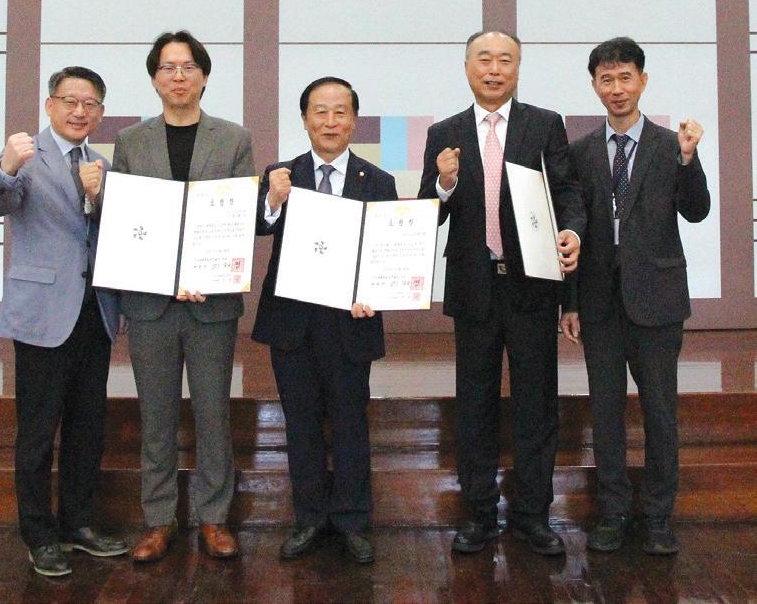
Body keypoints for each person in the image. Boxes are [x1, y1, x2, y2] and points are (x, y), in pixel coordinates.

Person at [418, 30, 586, 556]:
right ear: (467, 67)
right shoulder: (444, 132)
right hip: (473, 287)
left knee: (537, 404)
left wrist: (572, 231)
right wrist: (443, 183)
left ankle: (533, 516)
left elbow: (566, 192)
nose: (494, 69)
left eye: (505, 60)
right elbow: (427, 214)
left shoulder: (544, 124)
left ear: (518, 67)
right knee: (474, 406)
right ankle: (479, 515)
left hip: (531, 285)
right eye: (484, 60)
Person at [99, 30, 254, 562]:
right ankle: (159, 519)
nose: (179, 76)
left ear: (204, 76)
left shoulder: (233, 139)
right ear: (154, 79)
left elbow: (238, 219)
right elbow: (126, 221)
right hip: (150, 304)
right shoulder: (131, 141)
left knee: (213, 414)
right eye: (168, 67)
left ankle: (214, 517)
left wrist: (207, 270)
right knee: (156, 417)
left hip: (212, 304)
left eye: (188, 66)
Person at [560, 37, 709, 555]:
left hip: (658, 301)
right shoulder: (579, 152)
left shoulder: (671, 145)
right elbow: (572, 228)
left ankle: (659, 517)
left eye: (626, 77)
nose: (617, 88)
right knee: (606, 413)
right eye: (607, 79)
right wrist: (570, 302)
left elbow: (696, 210)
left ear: (643, 81)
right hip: (599, 303)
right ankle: (613, 512)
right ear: (595, 85)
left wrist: (689, 160)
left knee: (660, 412)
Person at [0, 66, 128, 576]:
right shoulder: (26, 155)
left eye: (90, 103)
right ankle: (39, 535)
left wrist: (100, 198)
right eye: (70, 101)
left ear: (100, 113)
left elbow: (112, 235)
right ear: (50, 105)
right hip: (43, 313)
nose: (79, 111)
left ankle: (77, 525)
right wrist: (5, 166)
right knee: (38, 432)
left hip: (94, 313)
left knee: (88, 428)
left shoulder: (101, 165)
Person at [252, 77, 397, 564]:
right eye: (320, 111)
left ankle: (353, 521)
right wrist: (273, 200)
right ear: (304, 119)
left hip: (351, 324)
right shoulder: (281, 174)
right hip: (293, 324)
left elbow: (386, 250)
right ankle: (309, 518)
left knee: (352, 424)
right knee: (301, 425)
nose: (330, 122)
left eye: (340, 112)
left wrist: (372, 290)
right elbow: (257, 226)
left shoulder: (378, 181)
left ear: (353, 120)